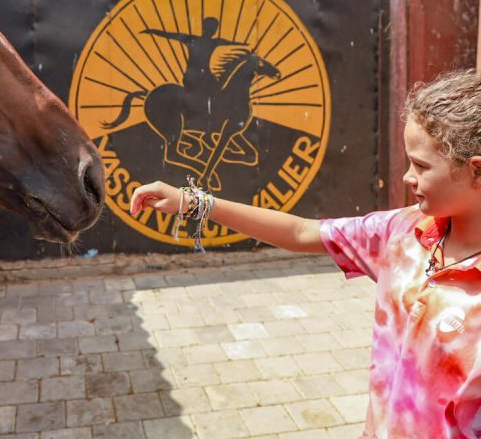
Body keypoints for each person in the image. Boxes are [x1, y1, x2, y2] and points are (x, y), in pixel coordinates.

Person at [130, 69, 481, 438]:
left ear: (476, 171)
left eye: (421, 166)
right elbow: (302, 231)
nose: (408, 177)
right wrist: (195, 202)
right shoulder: (401, 233)